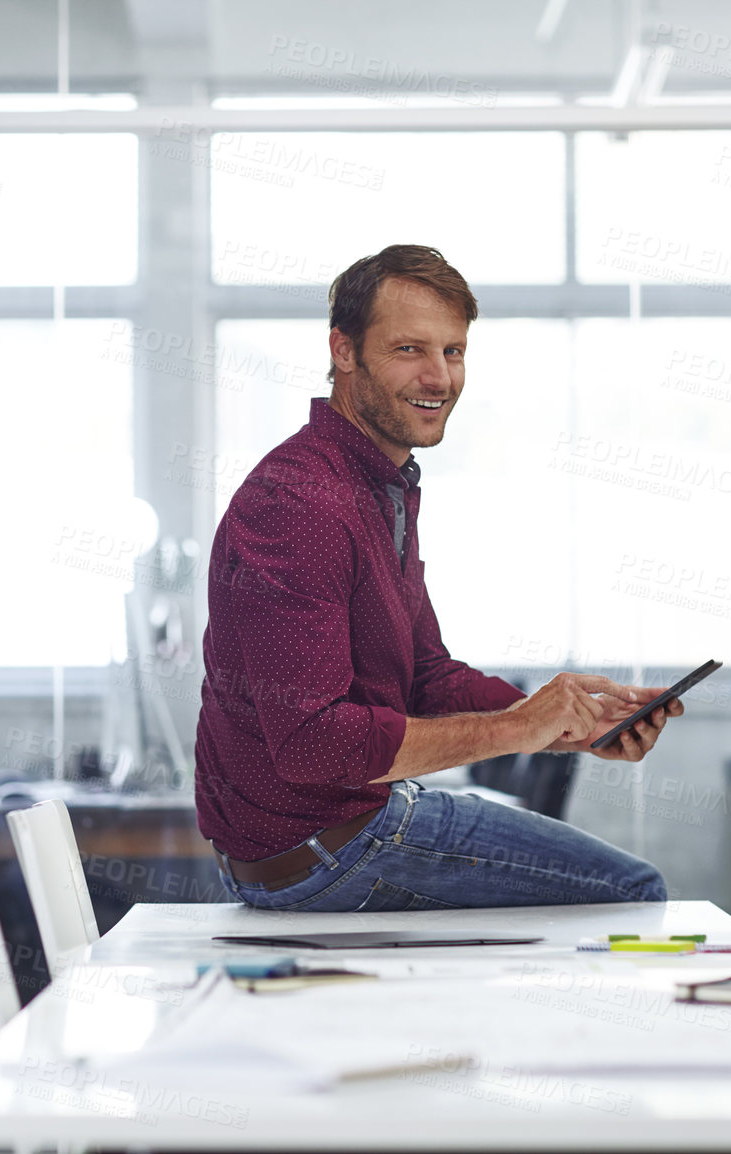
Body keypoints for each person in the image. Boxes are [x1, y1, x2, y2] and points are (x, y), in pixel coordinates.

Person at [194, 243, 679, 913]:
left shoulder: (376, 487)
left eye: (453, 352)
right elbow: (312, 746)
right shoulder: (301, 503)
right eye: (409, 350)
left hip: (338, 838)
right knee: (632, 892)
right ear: (344, 350)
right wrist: (517, 730)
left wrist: (570, 723)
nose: (439, 377)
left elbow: (426, 677)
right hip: (328, 853)